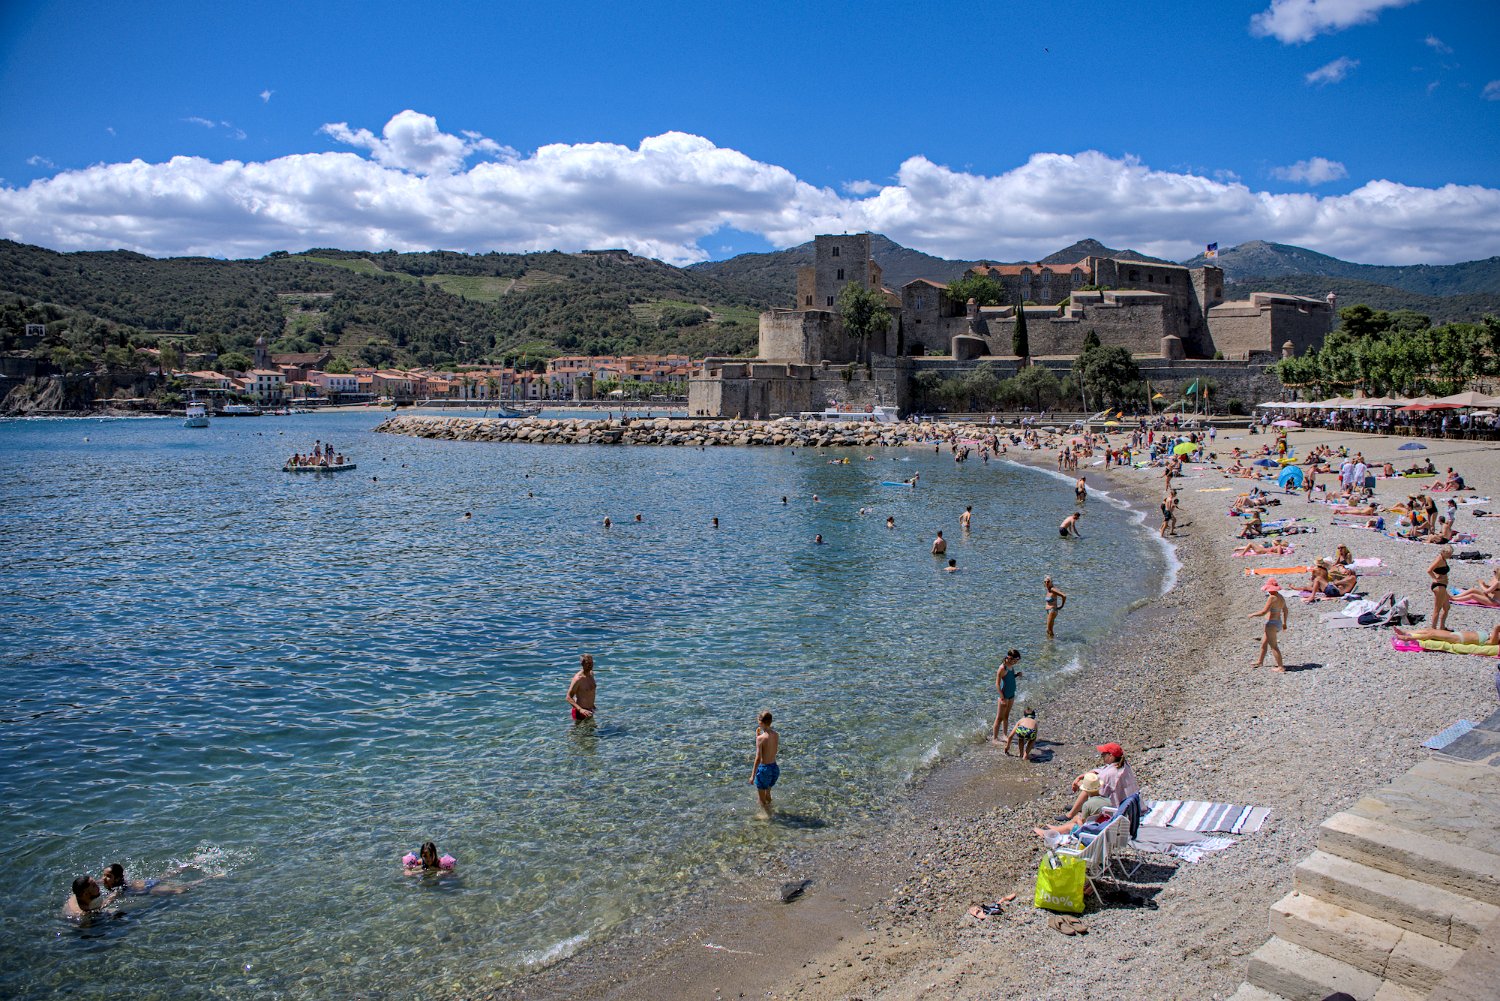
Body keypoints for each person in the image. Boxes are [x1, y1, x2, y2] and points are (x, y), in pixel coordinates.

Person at [1250, 578, 1290, 672]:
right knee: (1263, 642)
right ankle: (1260, 661)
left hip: (1271, 624)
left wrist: (1253, 614)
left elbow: (1264, 612)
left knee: (1274, 646)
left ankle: (1280, 667)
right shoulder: (1280, 597)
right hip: (1278, 622)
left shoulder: (1272, 598)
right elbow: (1285, 610)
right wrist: (1284, 623)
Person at [751, 710, 779, 816]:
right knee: (768, 793)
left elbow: (758, 758)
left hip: (764, 770)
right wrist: (758, 737)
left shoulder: (760, 739)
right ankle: (771, 810)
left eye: (758, 722)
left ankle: (767, 817)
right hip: (774, 768)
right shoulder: (776, 735)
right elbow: (771, 747)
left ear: (761, 723)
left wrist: (752, 776)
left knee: (761, 799)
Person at [990, 649, 1021, 743]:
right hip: (1004, 696)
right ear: (1009, 658)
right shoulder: (1002, 668)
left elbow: (1010, 678)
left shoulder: (1011, 666)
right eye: (1015, 661)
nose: (1016, 663)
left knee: (1006, 716)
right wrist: (1002, 698)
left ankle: (1004, 735)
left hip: (1011, 694)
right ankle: (995, 738)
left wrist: (1016, 675)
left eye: (1017, 661)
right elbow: (997, 684)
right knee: (999, 718)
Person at [1395, 624, 1500, 646]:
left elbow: (1496, 627)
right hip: (1457, 634)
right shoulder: (1489, 635)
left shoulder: (1492, 642)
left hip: (1459, 639)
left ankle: (1407, 638)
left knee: (1431, 634)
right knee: (1430, 630)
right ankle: (1407, 632)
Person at [566, 654, 596, 723]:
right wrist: (581, 710)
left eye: (591, 663)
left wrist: (592, 705)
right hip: (580, 713)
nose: (590, 665)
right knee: (579, 733)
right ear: (582, 664)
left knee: (591, 731)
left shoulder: (591, 674)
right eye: (588, 663)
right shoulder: (578, 679)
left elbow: (589, 691)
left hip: (590, 710)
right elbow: (568, 697)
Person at [1429, 546, 1454, 630]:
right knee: (1437, 609)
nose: (1450, 556)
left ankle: (1442, 627)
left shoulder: (1443, 559)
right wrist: (1434, 579)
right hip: (1439, 586)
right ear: (1443, 552)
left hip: (1443, 586)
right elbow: (1429, 570)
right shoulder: (1439, 559)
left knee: (1447, 607)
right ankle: (1433, 629)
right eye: (1448, 554)